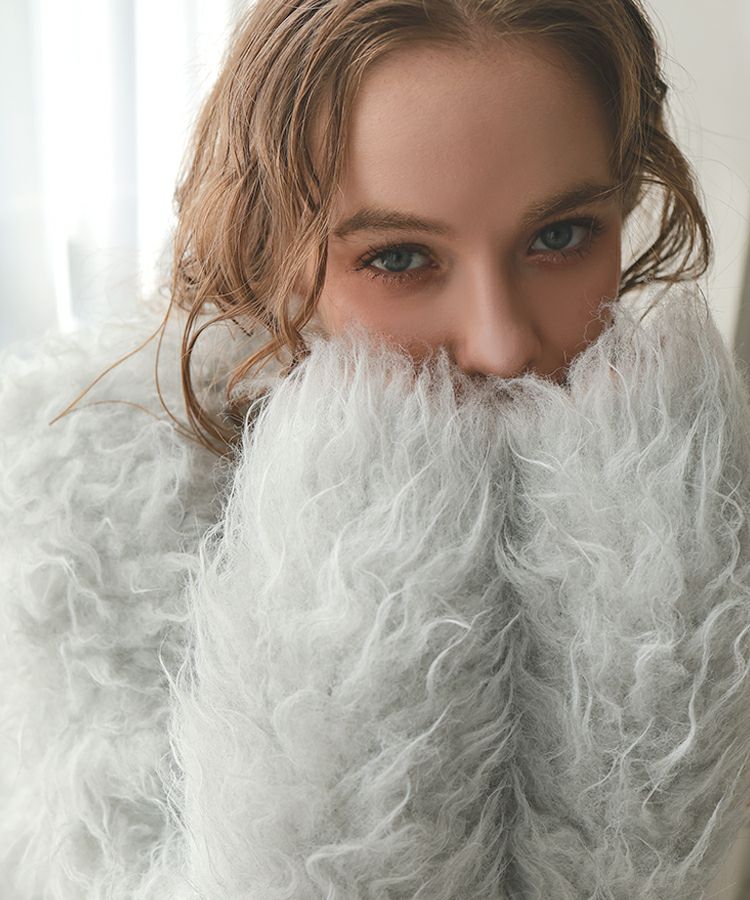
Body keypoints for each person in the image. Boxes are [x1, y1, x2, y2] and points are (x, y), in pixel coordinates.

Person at [2, 1, 750, 898]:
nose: (499, 344)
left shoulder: (693, 532)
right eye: (399, 258)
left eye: (559, 237)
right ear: (276, 249)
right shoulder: (91, 548)